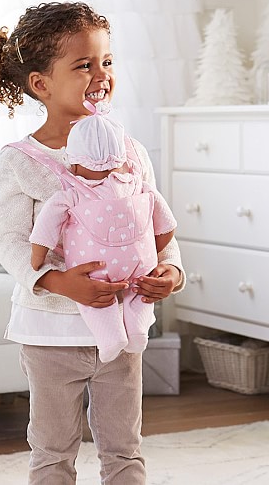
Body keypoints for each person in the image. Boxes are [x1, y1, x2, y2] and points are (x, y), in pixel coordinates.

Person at [0, 1, 185, 484]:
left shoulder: (131, 152)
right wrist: (58, 282)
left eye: (106, 61)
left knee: (125, 450)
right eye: (84, 64)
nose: (101, 74)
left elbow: (155, 225)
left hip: (123, 329)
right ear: (41, 84)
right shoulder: (18, 161)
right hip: (51, 334)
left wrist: (171, 271)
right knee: (52, 452)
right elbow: (10, 241)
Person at [27, 99, 177, 363]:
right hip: (139, 264)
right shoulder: (138, 186)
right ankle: (138, 331)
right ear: (122, 157)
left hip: (95, 268)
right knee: (138, 291)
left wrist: (37, 260)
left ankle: (110, 338)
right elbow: (166, 225)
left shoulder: (71, 194)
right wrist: (155, 252)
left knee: (97, 298)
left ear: (73, 164)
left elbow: (46, 228)